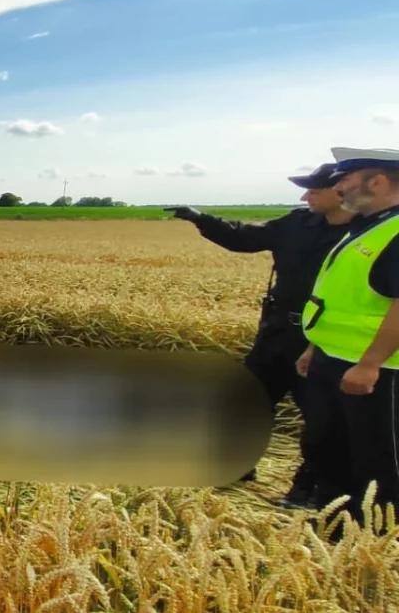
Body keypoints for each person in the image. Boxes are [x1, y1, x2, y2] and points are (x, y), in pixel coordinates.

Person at [165, 164, 354, 506]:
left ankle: (310, 488)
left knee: (322, 420)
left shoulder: (364, 234)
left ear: (339, 191)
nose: (304, 196)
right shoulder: (296, 224)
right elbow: (244, 238)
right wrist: (200, 218)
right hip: (277, 331)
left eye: (312, 190)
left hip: (325, 339)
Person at [297, 147, 399, 522]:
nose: (338, 188)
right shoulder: (365, 226)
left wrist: (370, 364)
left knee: (375, 460)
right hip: (332, 359)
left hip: (377, 371)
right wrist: (314, 346)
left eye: (345, 181)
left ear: (377, 181)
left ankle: (373, 542)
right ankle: (336, 524)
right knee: (329, 449)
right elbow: (338, 297)